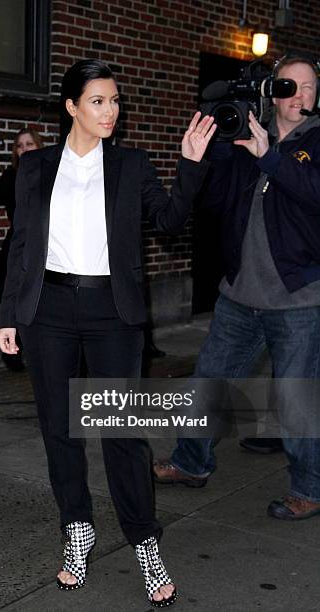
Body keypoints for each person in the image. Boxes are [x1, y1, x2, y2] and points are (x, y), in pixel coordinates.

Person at [0, 59, 216, 606]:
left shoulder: (132, 165)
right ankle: (78, 530)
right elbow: (21, 245)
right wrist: (8, 315)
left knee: (122, 433)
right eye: (98, 101)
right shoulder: (36, 167)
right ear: (72, 107)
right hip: (47, 308)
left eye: (115, 101)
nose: (110, 111)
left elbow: (168, 222)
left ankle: (144, 540)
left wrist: (190, 166)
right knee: (60, 433)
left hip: (112, 312)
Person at [154, 56, 320, 521]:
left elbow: (313, 192)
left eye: (310, 87)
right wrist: (217, 150)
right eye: (291, 85)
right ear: (273, 91)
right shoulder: (248, 136)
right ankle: (191, 464)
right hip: (239, 296)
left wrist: (270, 156)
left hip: (298, 300)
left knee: (297, 399)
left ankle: (308, 488)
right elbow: (214, 202)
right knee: (208, 383)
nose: (300, 95)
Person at [0, 127, 42, 370]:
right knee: (14, 296)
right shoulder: (12, 176)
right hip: (19, 244)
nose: (24, 148)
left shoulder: (51, 174)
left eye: (29, 144)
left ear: (38, 147)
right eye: (20, 145)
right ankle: (13, 353)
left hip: (48, 245)